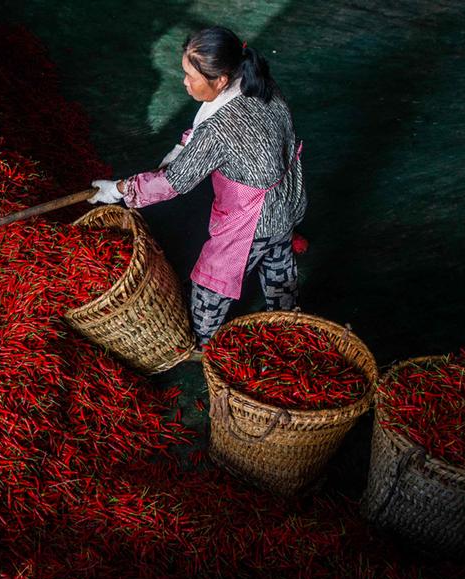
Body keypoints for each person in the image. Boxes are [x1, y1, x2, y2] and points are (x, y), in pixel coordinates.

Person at [89, 26, 307, 349]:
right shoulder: (259, 84)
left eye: (192, 76)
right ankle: (289, 323)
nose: (185, 82)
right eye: (185, 72)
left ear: (220, 80)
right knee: (279, 270)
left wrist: (118, 190)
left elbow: (174, 182)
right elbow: (204, 131)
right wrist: (181, 151)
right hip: (287, 201)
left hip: (252, 220)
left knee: (208, 292)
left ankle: (206, 345)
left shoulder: (220, 131)